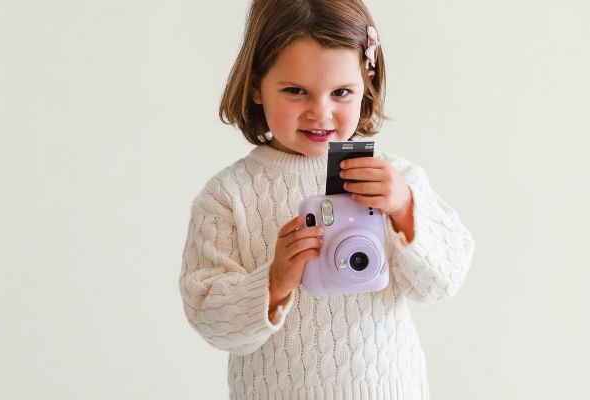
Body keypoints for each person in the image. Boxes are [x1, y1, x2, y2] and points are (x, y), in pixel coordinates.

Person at [179, 0, 474, 398]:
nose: (320, 113)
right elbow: (208, 317)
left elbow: (443, 282)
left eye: (341, 92)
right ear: (255, 85)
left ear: (367, 83)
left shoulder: (393, 181)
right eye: (295, 91)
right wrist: (275, 281)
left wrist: (405, 209)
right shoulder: (229, 197)